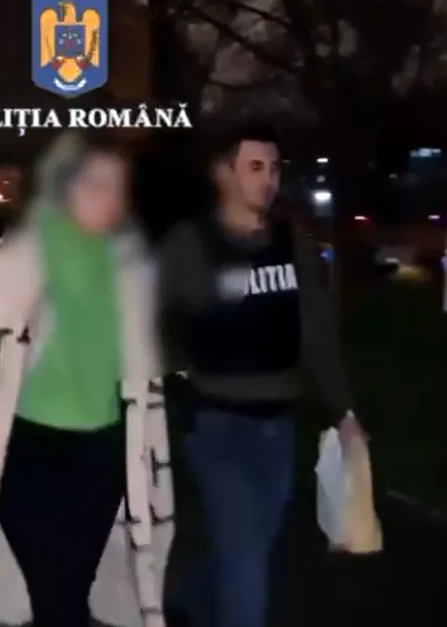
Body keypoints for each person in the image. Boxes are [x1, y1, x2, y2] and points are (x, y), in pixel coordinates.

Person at [0, 131, 174, 627]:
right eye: (96, 184)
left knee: (72, 589)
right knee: (53, 593)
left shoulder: (128, 268)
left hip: (102, 452)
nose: (109, 198)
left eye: (117, 186)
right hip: (30, 452)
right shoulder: (12, 259)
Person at [160, 123, 364, 627]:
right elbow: (160, 317)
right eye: (255, 167)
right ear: (223, 174)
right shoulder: (192, 243)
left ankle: (187, 599)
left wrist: (344, 412)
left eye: (274, 168)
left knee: (250, 546)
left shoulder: (292, 244)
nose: (269, 179)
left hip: (277, 428)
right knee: (245, 553)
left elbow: (316, 332)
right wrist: (172, 379)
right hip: (215, 425)